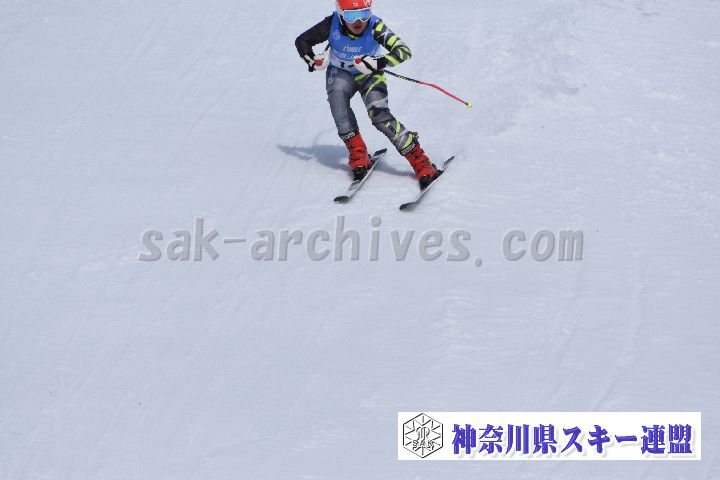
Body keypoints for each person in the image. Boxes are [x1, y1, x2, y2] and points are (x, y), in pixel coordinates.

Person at [295, 0, 440, 188]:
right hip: (340, 72)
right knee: (339, 107)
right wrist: (312, 60)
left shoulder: (375, 26)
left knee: (380, 117)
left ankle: (420, 160)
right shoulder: (331, 24)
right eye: (351, 16)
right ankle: (358, 152)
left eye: (364, 14)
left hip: (370, 75)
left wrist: (378, 62)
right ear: (340, 14)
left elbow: (404, 51)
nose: (358, 21)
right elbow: (302, 41)